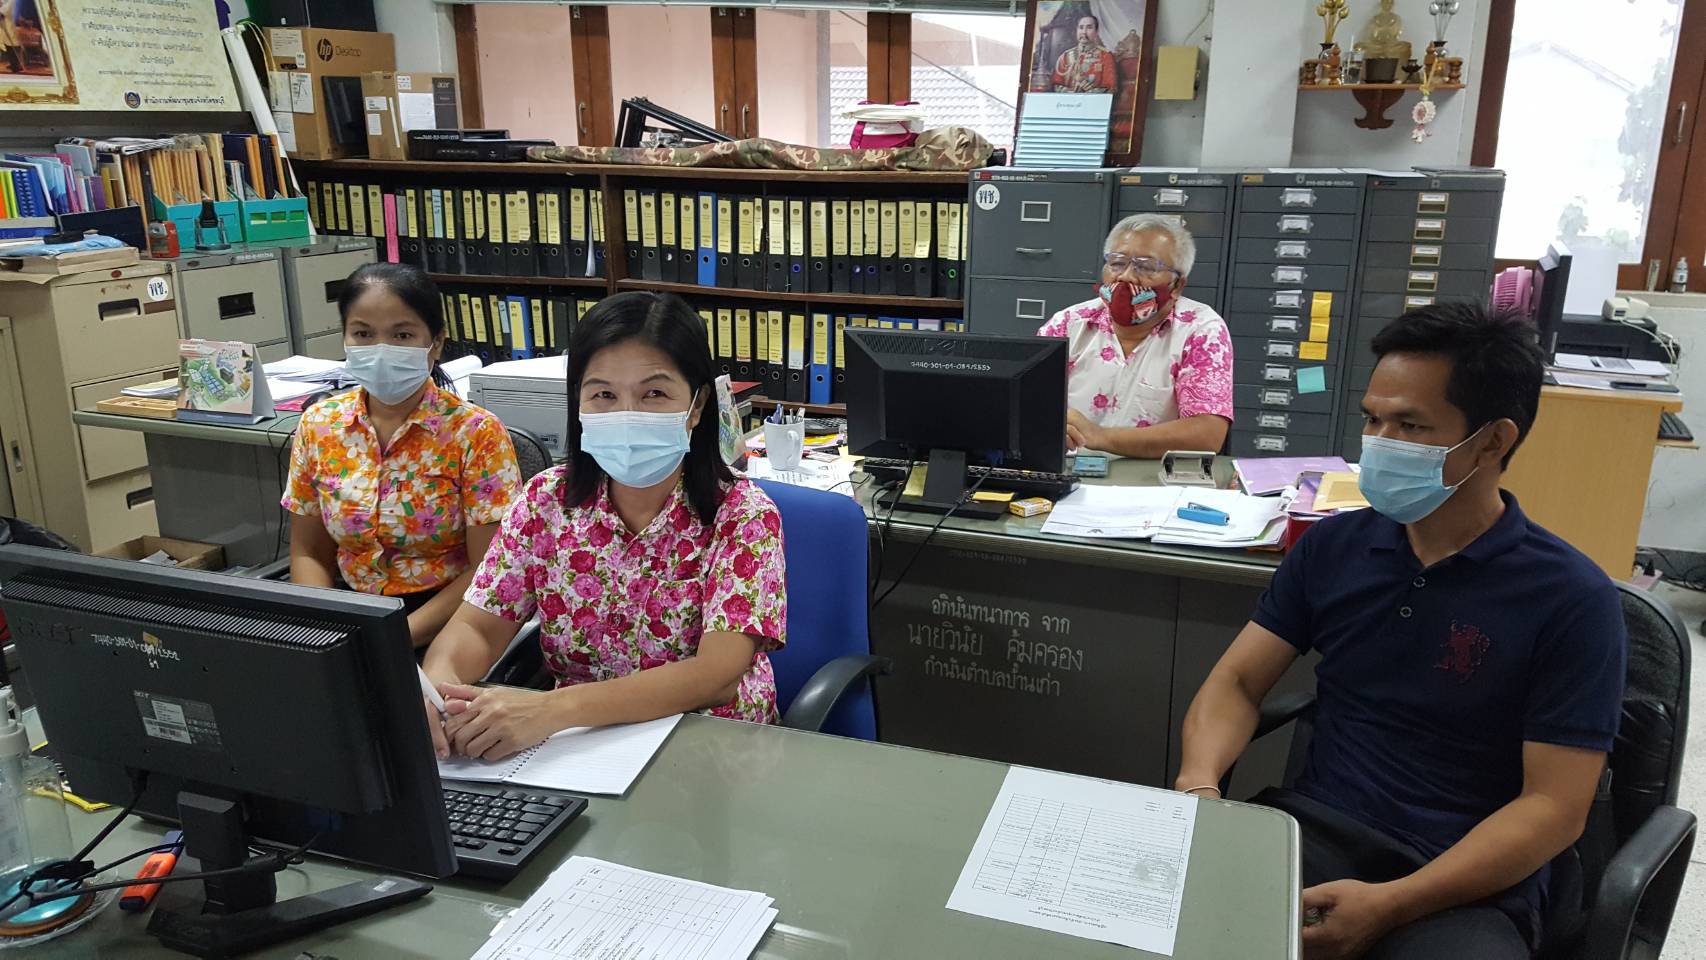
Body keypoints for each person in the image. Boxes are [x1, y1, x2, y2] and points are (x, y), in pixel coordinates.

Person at [1176, 303, 1626, 959]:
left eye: (1410, 425)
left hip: (1464, 879)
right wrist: (1199, 786)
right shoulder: (1335, 547)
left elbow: (1554, 808)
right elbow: (1239, 682)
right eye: (1372, 419)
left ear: (1494, 441)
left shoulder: (1572, 599)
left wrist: (1390, 905)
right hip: (1309, 835)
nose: (1379, 441)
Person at [421, 291, 787, 762]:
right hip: (575, 750)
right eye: (603, 395)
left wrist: (552, 708)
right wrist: (438, 692)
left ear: (696, 407)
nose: (625, 413)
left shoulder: (742, 514)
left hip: (711, 751)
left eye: (654, 393)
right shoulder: (545, 501)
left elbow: (714, 676)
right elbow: (476, 628)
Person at [283, 263, 521, 648]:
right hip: (346, 618)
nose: (381, 350)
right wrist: (322, 628)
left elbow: (488, 570)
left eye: (402, 335)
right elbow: (309, 550)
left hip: (448, 622)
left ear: (436, 343)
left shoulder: (475, 433)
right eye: (363, 334)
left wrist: (392, 640)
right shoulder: (319, 425)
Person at [1038, 213, 1233, 458]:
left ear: (1177, 286)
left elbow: (1207, 435)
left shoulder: (1201, 331)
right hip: (1072, 476)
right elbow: (1026, 405)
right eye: (1117, 263)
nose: (1127, 276)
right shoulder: (1069, 323)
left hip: (1155, 483)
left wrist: (1098, 436)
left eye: (1146, 267)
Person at [1051, 13, 1117, 93]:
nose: (1084, 32)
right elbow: (1056, 85)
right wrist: (1071, 92)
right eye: (1081, 28)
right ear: (1077, 30)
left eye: (1089, 28)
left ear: (1096, 32)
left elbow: (1110, 87)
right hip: (1067, 103)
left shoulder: (1105, 56)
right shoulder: (1066, 56)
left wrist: (1087, 93)